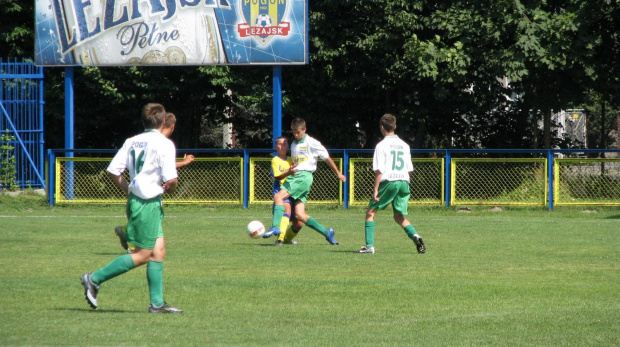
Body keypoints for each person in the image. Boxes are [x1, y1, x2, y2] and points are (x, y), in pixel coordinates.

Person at [81, 103, 183, 313]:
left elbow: (113, 171)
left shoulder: (132, 141)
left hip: (138, 200)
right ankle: (94, 278)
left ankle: (157, 304)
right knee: (143, 254)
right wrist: (170, 189)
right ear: (164, 121)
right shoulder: (164, 143)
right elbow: (171, 179)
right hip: (147, 202)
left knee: (158, 251)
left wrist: (129, 189)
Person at [113, 112, 194, 253]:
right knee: (142, 251)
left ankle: (129, 235)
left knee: (156, 248)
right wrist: (173, 182)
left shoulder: (138, 140)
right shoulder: (162, 143)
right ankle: (128, 237)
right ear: (171, 126)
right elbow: (161, 167)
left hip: (137, 193)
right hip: (146, 195)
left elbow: (155, 165)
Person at [262, 117, 346, 245]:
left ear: (304, 130)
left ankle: (275, 227)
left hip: (302, 177)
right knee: (300, 215)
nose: (295, 135)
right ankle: (326, 232)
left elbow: (326, 157)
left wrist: (338, 173)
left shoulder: (312, 142)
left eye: (298, 132)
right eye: (294, 132)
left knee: (278, 197)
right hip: (298, 176)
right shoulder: (294, 144)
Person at [357, 113, 426, 254]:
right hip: (404, 181)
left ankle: (369, 246)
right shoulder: (405, 145)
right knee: (398, 216)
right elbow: (409, 169)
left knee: (370, 212)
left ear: (382, 127)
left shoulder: (381, 146)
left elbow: (380, 170)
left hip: (390, 181)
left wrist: (376, 189)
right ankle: (415, 235)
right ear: (395, 126)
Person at [269, 136, 303, 246]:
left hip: (293, 191)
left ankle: (287, 239)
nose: (282, 146)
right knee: (287, 210)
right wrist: (288, 172)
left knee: (299, 223)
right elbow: (277, 176)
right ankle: (280, 239)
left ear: (288, 146)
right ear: (275, 147)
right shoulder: (275, 160)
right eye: (279, 144)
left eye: (284, 144)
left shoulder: (291, 160)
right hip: (281, 190)